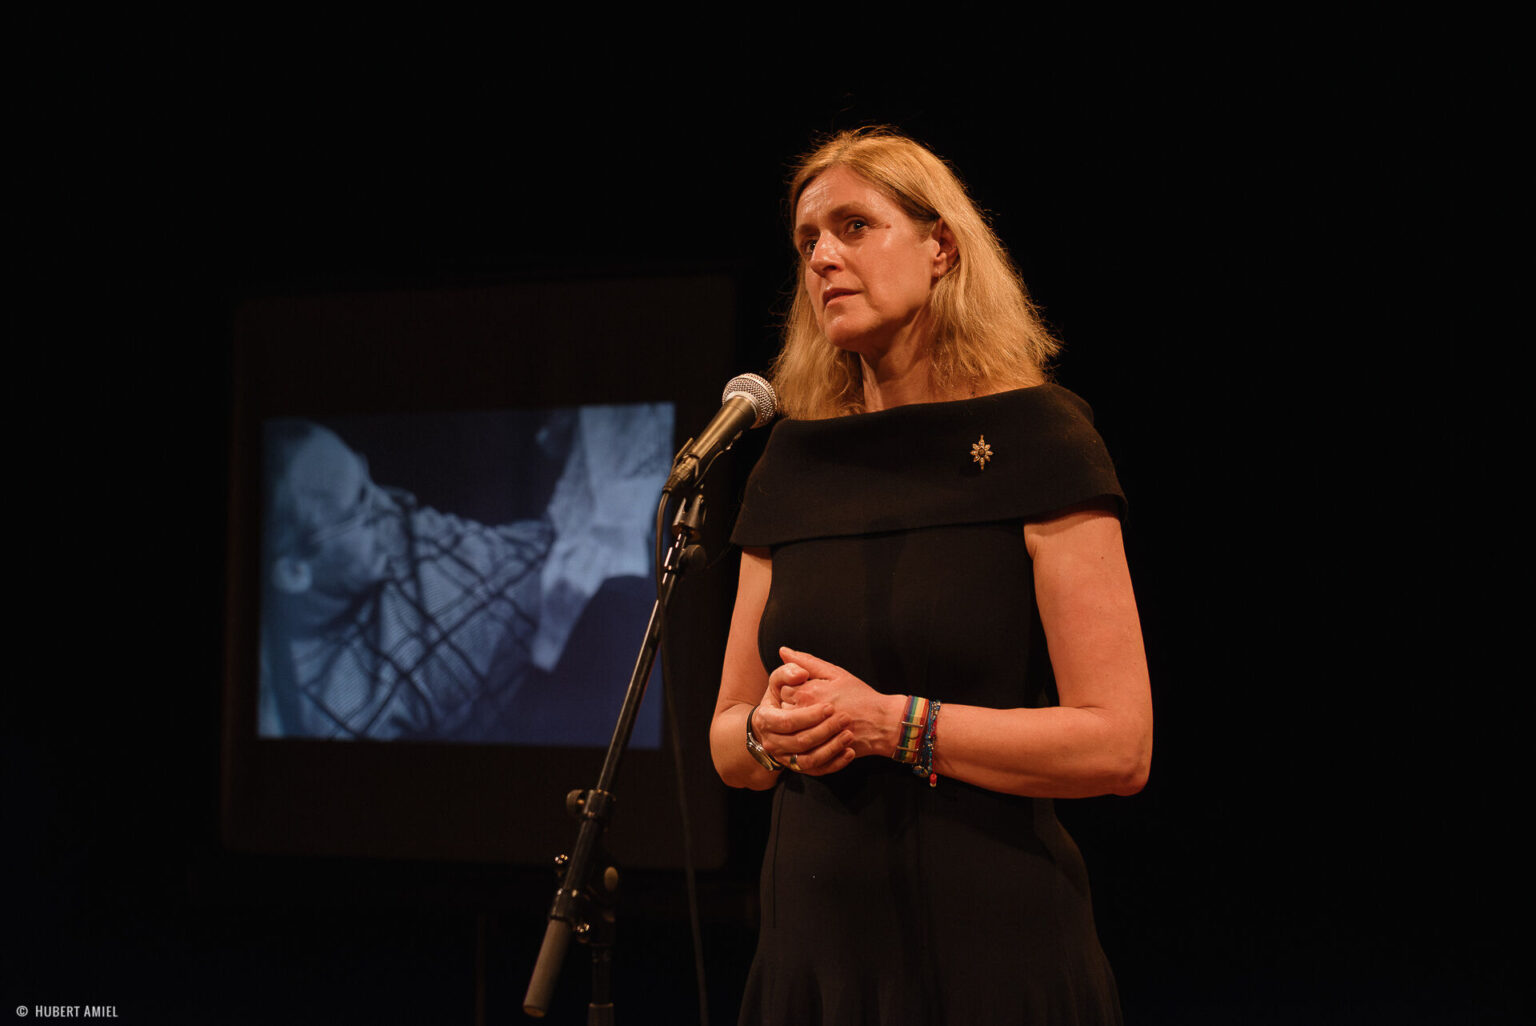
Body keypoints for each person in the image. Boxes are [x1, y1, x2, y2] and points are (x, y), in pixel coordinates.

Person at [710, 128, 1152, 1025]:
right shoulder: (789, 463)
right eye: (807, 241)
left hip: (991, 954)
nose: (822, 257)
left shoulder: (1041, 442)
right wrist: (770, 732)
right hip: (813, 965)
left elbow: (1118, 747)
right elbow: (727, 743)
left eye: (854, 226)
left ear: (941, 247)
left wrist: (893, 725)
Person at [260, 404, 671, 743]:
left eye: (366, 476)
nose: (387, 504)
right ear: (295, 572)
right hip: (587, 653)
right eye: (359, 505)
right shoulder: (342, 711)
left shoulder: (371, 529)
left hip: (575, 535)